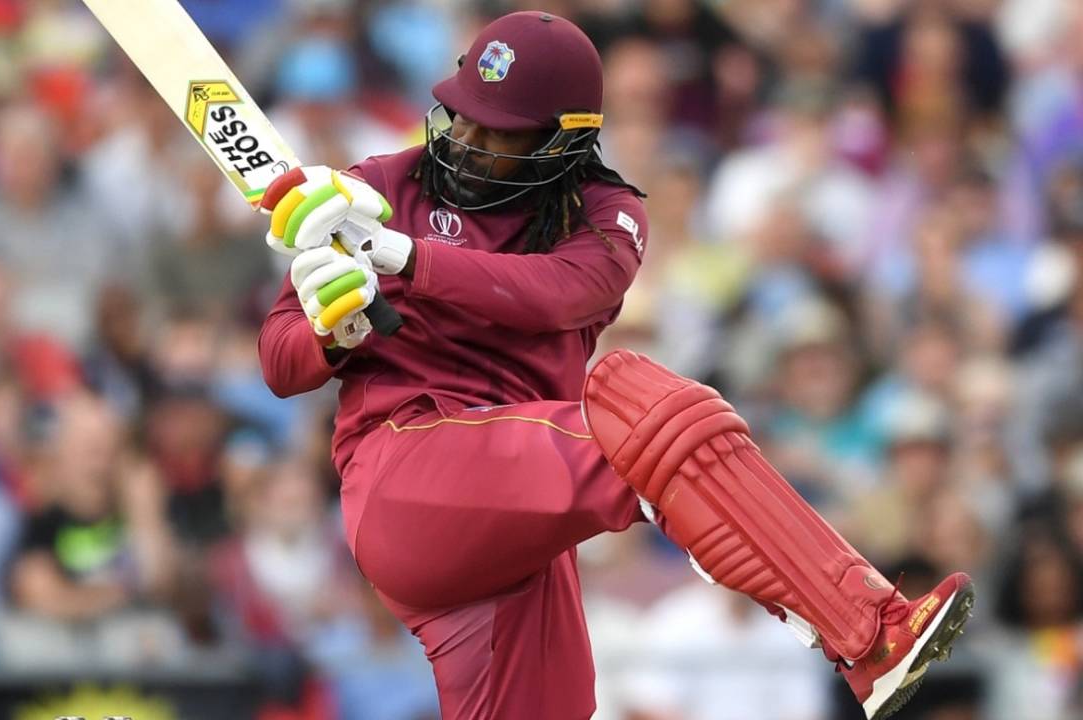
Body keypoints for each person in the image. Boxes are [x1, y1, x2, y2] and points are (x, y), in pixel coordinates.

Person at [258, 12, 973, 720]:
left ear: (562, 141)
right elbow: (280, 363)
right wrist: (331, 326)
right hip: (404, 478)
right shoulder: (381, 185)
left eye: (496, 129)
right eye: (461, 115)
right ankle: (867, 632)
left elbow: (554, 295)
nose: (467, 142)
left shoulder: (606, 214)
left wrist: (405, 258)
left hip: (512, 529)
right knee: (638, 407)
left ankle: (842, 618)